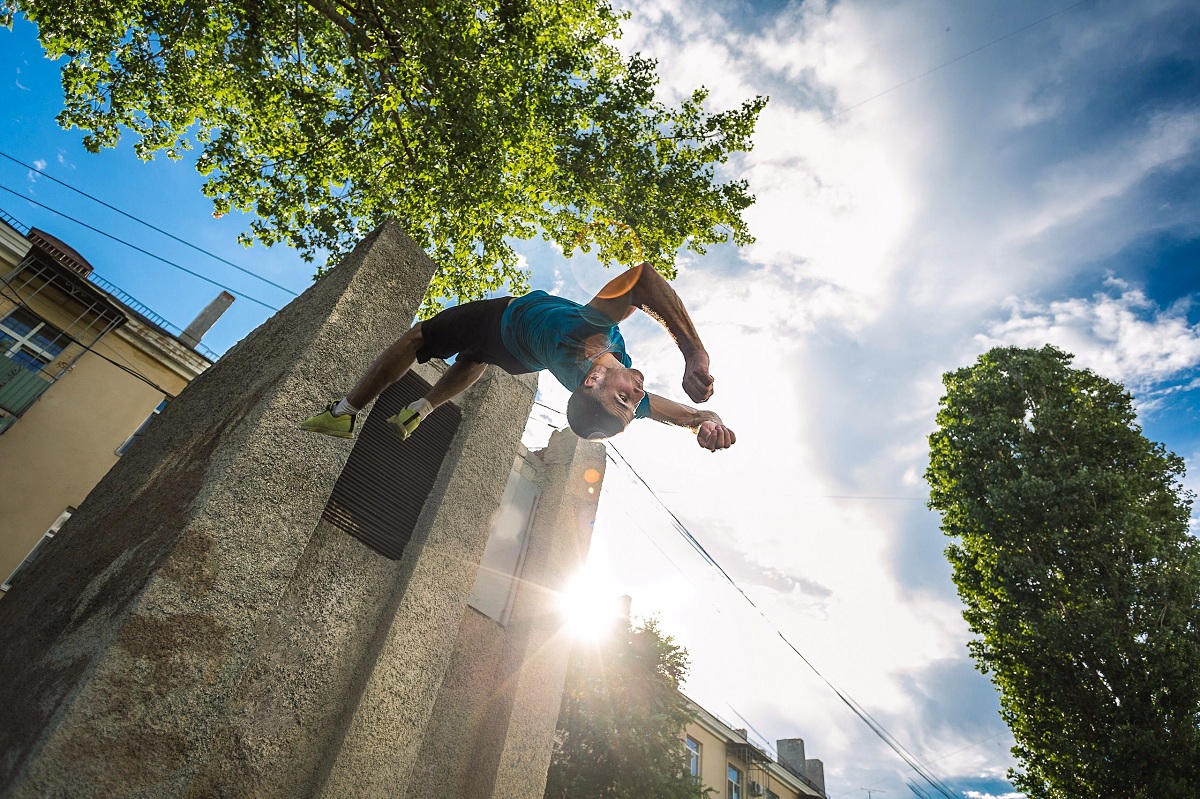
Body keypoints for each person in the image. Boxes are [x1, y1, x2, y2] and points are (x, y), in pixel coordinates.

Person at [300, 262, 736, 451]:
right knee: (474, 361)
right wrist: (705, 421)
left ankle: (344, 412)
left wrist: (694, 352)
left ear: (592, 382)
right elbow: (686, 416)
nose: (638, 395)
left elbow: (641, 281)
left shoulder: (584, 333)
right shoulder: (615, 388)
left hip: (501, 319)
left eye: (625, 400)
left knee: (417, 339)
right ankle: (422, 407)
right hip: (522, 355)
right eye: (633, 405)